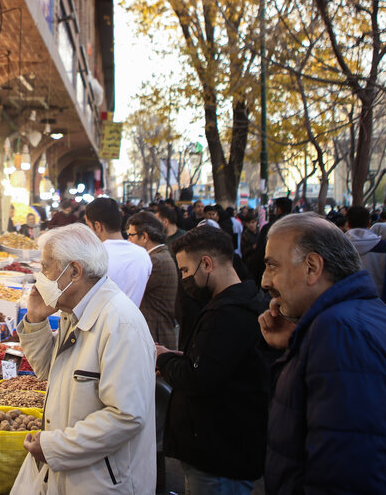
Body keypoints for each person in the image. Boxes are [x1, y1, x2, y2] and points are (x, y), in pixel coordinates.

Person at [259, 213, 386, 494]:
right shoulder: (371, 318)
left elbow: (344, 478)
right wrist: (298, 342)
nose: (265, 281)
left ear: (312, 267)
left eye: (272, 266)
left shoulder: (340, 334)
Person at [10, 224, 156, 493]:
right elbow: (47, 370)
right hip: (70, 473)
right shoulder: (72, 312)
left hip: (103, 481)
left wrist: (55, 446)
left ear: (74, 271)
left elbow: (126, 416)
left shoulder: (120, 323)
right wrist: (34, 320)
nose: (40, 277)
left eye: (46, 267)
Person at [157, 226, 269, 493]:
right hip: (216, 448)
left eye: (185, 270)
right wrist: (184, 357)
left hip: (218, 455)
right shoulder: (235, 302)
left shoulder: (229, 313)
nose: (183, 278)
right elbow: (218, 363)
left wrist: (163, 360)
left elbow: (199, 377)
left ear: (206, 263)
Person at [124, 211, 178, 349]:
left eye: (131, 235)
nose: (128, 240)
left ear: (145, 236)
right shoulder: (157, 257)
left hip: (156, 334)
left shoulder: (154, 261)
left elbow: (127, 291)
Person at [84, 197, 151, 306]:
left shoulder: (94, 257)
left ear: (97, 226)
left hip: (103, 322)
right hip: (134, 321)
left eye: (88, 226)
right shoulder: (143, 255)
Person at [344, 205, 386, 303]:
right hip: (377, 303)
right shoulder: (384, 247)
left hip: (344, 303)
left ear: (347, 223)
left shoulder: (338, 246)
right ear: (369, 223)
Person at [246, 196, 292, 282]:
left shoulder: (270, 228)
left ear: (278, 209)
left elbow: (260, 253)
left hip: (272, 272)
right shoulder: (298, 228)